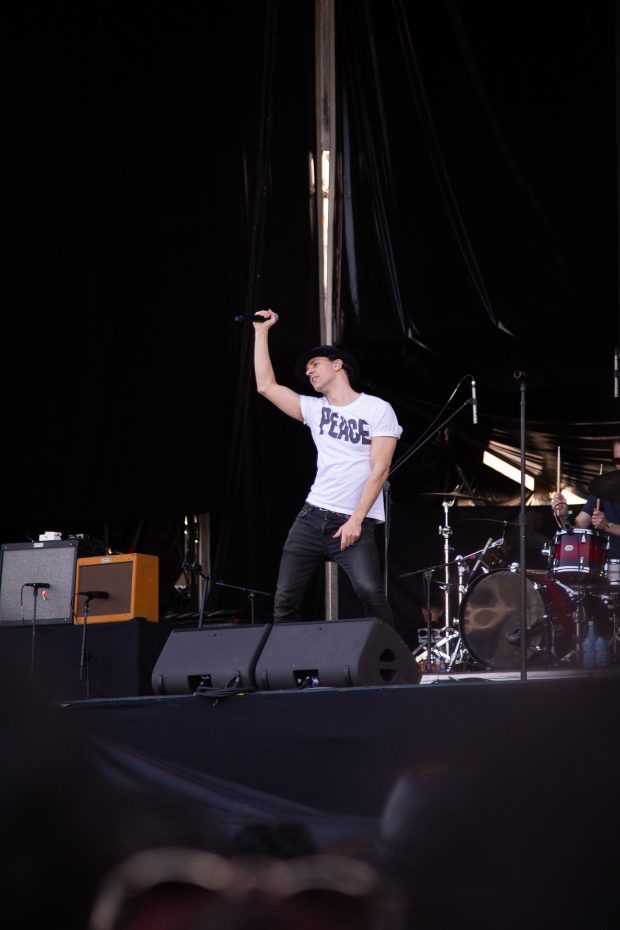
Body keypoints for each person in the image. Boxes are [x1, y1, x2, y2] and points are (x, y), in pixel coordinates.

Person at [253, 309, 402, 628]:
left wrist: (356, 521)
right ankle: (291, 673)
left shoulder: (376, 409)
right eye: (306, 370)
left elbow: (380, 469)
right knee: (284, 601)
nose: (309, 372)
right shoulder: (314, 409)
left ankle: (393, 666)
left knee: (370, 593)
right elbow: (266, 386)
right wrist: (261, 332)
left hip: (354, 521)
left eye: (314, 365)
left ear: (337, 364)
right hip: (311, 518)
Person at [551, 438, 620, 561]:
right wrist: (564, 514)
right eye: (617, 460)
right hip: (610, 565)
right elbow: (577, 527)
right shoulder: (602, 488)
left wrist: (607, 526)